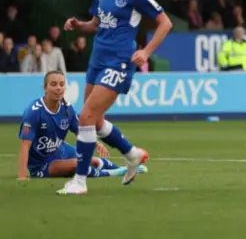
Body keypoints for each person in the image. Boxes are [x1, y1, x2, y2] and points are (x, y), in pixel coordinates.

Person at [59, 0, 173, 195]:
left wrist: (145, 51)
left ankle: (79, 181)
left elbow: (165, 23)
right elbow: (97, 24)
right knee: (95, 121)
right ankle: (132, 153)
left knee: (85, 117)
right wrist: (80, 25)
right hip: (97, 58)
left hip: (119, 61)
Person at [17, 71, 148, 180]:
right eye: (53, 84)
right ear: (45, 87)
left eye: (62, 84)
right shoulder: (34, 112)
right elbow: (25, 145)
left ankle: (125, 169)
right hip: (42, 162)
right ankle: (114, 173)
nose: (58, 88)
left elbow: (80, 130)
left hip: (60, 150)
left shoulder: (67, 108)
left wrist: (97, 143)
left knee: (93, 161)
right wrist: (22, 176)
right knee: (78, 164)